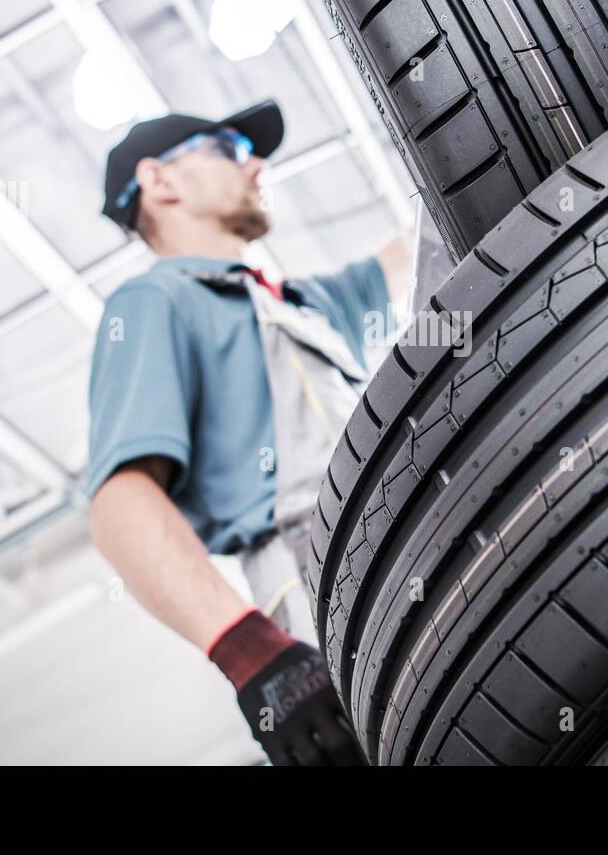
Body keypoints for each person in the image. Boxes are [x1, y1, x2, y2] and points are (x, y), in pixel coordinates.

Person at [85, 100, 407, 765]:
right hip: (320, 588)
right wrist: (254, 655)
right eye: (229, 149)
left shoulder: (306, 305)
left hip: (417, 536)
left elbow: (439, 237)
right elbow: (121, 505)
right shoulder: (156, 302)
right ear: (161, 180)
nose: (256, 164)